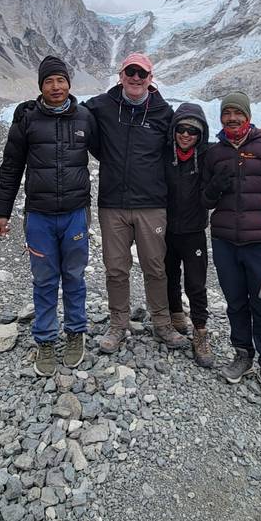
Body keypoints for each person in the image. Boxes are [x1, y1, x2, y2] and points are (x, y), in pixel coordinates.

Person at [0, 55, 99, 378]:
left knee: (75, 276)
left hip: (76, 215)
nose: (56, 87)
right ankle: (45, 339)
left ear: (69, 83)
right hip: (39, 216)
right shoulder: (26, 120)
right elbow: (11, 166)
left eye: (61, 80)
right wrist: (2, 210)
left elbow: (112, 152)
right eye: (49, 81)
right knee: (44, 279)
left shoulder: (84, 117)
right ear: (41, 86)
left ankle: (76, 332)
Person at [83, 52, 188, 354]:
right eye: (131, 72)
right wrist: (33, 109)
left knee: (155, 267)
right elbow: (71, 116)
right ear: (121, 75)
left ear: (151, 79)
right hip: (112, 204)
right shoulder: (102, 106)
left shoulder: (163, 113)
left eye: (142, 74)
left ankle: (162, 323)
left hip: (151, 204)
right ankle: (118, 324)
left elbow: (189, 137)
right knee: (116, 268)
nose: (136, 78)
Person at [202, 90, 261, 406]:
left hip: (260, 244)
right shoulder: (214, 154)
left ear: (247, 115)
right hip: (225, 242)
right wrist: (215, 186)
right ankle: (242, 353)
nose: (231, 119)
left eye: (237, 113)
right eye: (226, 113)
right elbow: (206, 199)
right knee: (235, 303)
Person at [164, 103, 213, 368]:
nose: (186, 135)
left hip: (194, 231)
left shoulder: (208, 155)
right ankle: (175, 315)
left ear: (201, 134)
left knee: (196, 283)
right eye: (181, 129)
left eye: (192, 131)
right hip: (167, 229)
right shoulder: (164, 153)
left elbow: (237, 146)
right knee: (170, 275)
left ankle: (201, 331)